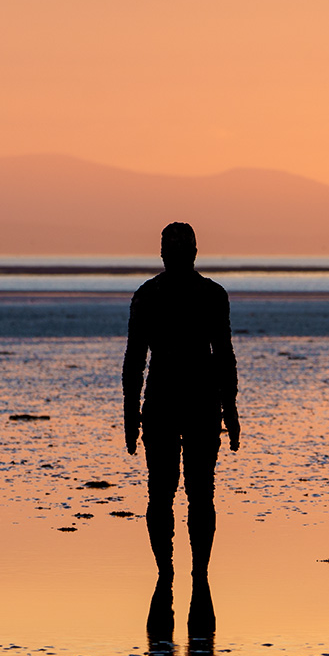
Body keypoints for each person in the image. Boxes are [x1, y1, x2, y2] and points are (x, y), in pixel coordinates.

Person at [123, 223, 239, 619]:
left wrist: (232, 411)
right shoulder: (157, 296)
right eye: (172, 249)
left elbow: (224, 355)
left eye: (177, 248)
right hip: (170, 403)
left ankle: (192, 573)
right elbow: (134, 361)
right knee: (170, 493)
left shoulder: (201, 295)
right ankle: (173, 572)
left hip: (194, 403)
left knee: (192, 493)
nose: (174, 255)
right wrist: (129, 416)